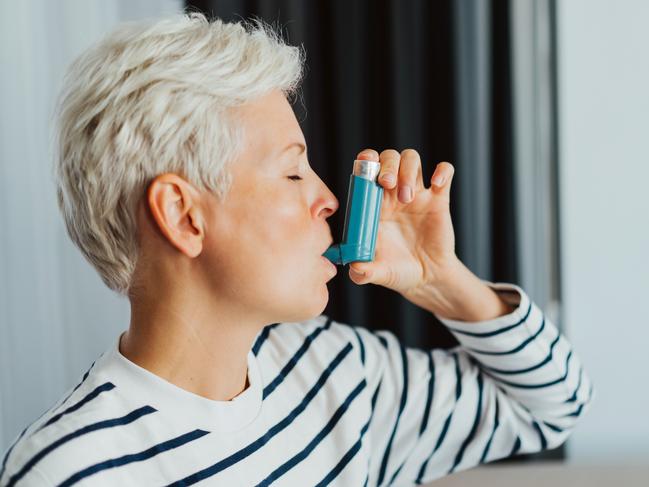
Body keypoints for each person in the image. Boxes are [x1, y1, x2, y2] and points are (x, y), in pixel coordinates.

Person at [0, 12, 593, 487]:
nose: (331, 198)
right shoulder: (67, 470)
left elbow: (550, 406)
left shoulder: (337, 375)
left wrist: (439, 277)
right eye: (292, 174)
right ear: (183, 216)